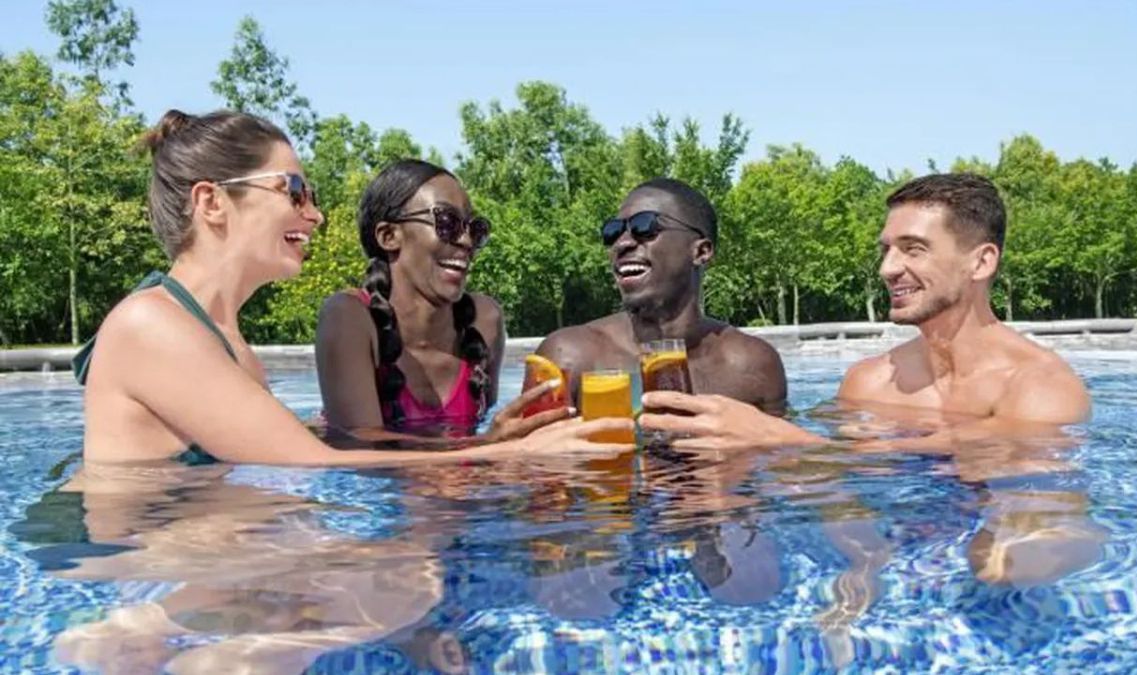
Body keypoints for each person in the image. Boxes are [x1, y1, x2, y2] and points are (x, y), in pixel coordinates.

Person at [73, 109, 632, 467]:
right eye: (294, 192)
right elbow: (315, 461)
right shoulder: (152, 326)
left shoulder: (223, 340)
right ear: (211, 202)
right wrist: (504, 455)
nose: (314, 216)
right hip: (143, 600)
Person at [640, 172, 1091, 448]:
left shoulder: (1042, 391)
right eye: (887, 249)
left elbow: (1033, 518)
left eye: (913, 249)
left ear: (982, 261)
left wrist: (774, 437)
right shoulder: (869, 381)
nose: (888, 268)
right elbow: (839, 485)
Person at [317, 160, 557, 440]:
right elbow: (361, 447)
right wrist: (485, 446)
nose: (466, 241)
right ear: (389, 236)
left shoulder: (485, 320)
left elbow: (492, 426)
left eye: (475, 229)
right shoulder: (350, 318)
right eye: (447, 222)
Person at [531, 177, 787, 414]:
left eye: (645, 227)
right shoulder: (571, 356)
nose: (622, 243)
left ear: (701, 251)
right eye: (613, 231)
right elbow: (526, 458)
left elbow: (784, 459)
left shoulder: (752, 365)